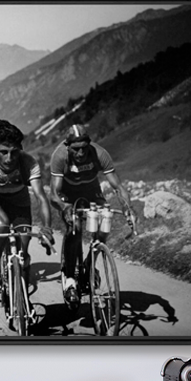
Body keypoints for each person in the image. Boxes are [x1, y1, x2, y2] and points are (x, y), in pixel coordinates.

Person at [47, 124, 137, 306]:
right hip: (67, 193)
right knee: (76, 227)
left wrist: (128, 208)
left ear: (89, 144)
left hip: (90, 189)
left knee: (106, 219)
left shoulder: (100, 153)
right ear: (67, 146)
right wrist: (65, 207)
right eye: (75, 149)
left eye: (84, 148)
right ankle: (70, 279)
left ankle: (89, 264)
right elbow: (53, 193)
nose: (80, 153)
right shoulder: (60, 155)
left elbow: (118, 187)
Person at [0, 120, 51, 297]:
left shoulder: (28, 162)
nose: (9, 158)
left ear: (20, 149)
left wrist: (47, 228)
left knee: (23, 249)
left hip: (19, 202)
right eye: (3, 152)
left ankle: (23, 296)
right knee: (2, 225)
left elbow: (41, 197)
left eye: (14, 153)